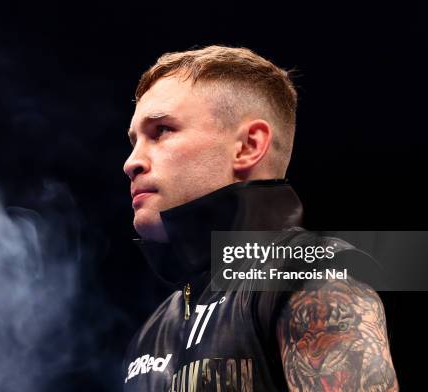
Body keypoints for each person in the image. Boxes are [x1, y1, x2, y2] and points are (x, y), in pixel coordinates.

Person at [122, 45, 398, 391]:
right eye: (133, 141)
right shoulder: (155, 328)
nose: (131, 162)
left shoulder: (312, 272)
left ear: (249, 146)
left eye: (161, 130)